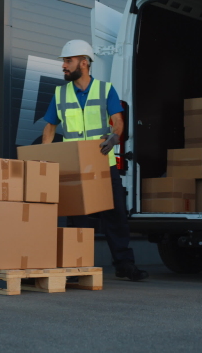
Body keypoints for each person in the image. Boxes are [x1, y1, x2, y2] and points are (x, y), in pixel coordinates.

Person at [41, 39, 149, 282]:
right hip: (74, 164)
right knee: (77, 217)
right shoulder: (60, 93)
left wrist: (113, 138)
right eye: (64, 62)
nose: (64, 66)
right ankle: (76, 266)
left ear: (84, 63)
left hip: (103, 162)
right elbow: (50, 128)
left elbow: (118, 121)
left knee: (116, 214)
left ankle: (124, 265)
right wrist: (43, 159)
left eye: (68, 61)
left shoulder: (104, 89)